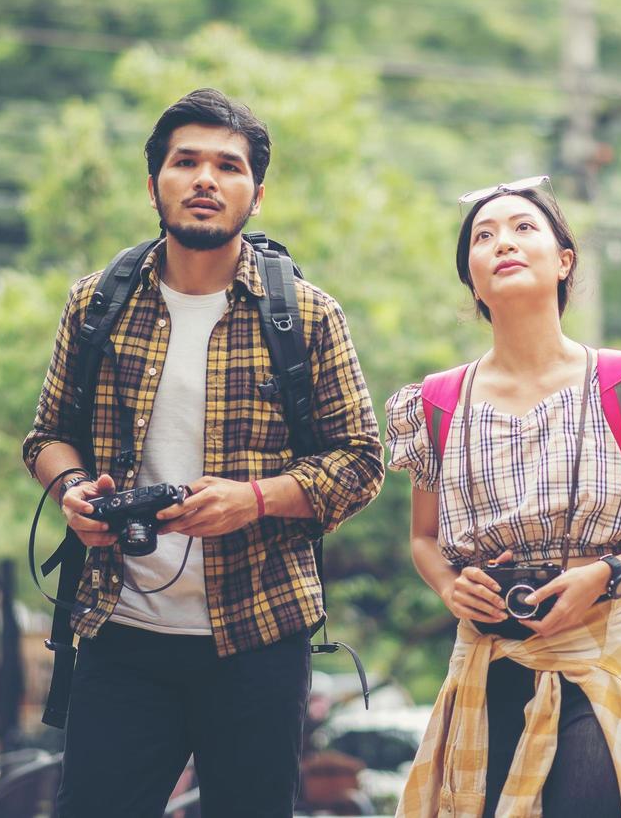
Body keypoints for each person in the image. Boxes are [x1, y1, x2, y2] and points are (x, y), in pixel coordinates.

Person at [23, 88, 384, 818]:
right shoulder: (97, 304)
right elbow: (46, 434)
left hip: (258, 635)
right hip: (118, 629)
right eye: (185, 161)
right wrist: (70, 489)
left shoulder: (306, 315)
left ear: (255, 193)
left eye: (229, 165)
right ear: (153, 179)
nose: (205, 179)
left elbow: (360, 461)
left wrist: (252, 499)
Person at [385, 177, 621, 818]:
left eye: (524, 227)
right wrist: (451, 589)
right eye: (483, 236)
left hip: (605, 647)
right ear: (472, 281)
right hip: (489, 657)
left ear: (564, 261)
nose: (502, 242)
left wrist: (603, 575)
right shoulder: (436, 404)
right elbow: (423, 538)